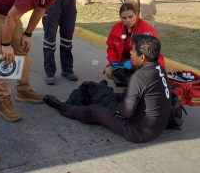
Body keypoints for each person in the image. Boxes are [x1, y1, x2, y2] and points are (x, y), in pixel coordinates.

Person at [44, 35, 172, 143]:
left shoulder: (139, 77)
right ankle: (98, 93)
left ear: (142, 57)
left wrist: (112, 109)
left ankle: (61, 106)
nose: (130, 53)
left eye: (133, 51)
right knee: (107, 95)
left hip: (138, 132)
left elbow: (126, 112)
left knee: (94, 111)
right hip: (157, 127)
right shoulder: (159, 68)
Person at [104, 2, 165, 82]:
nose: (127, 20)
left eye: (130, 17)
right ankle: (129, 84)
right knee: (109, 71)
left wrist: (132, 63)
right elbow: (112, 47)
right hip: (126, 59)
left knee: (142, 75)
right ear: (120, 18)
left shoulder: (146, 29)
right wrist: (113, 60)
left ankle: (137, 85)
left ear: (136, 15)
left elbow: (150, 55)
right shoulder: (116, 28)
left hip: (143, 61)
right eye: (124, 18)